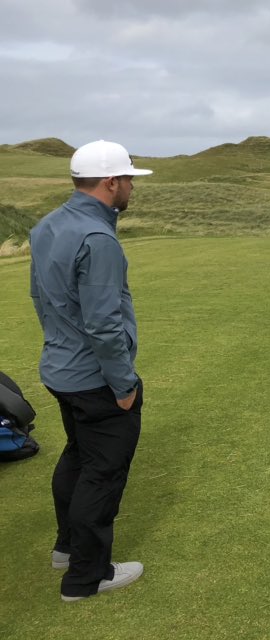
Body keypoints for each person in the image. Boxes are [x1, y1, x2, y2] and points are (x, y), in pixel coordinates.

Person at [29, 140, 152, 602]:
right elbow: (104, 324)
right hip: (95, 379)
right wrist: (123, 385)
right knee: (101, 474)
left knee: (78, 458)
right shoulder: (98, 240)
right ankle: (87, 577)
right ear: (111, 182)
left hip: (60, 370)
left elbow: (40, 298)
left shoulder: (47, 225)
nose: (132, 188)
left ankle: (67, 549)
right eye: (130, 180)